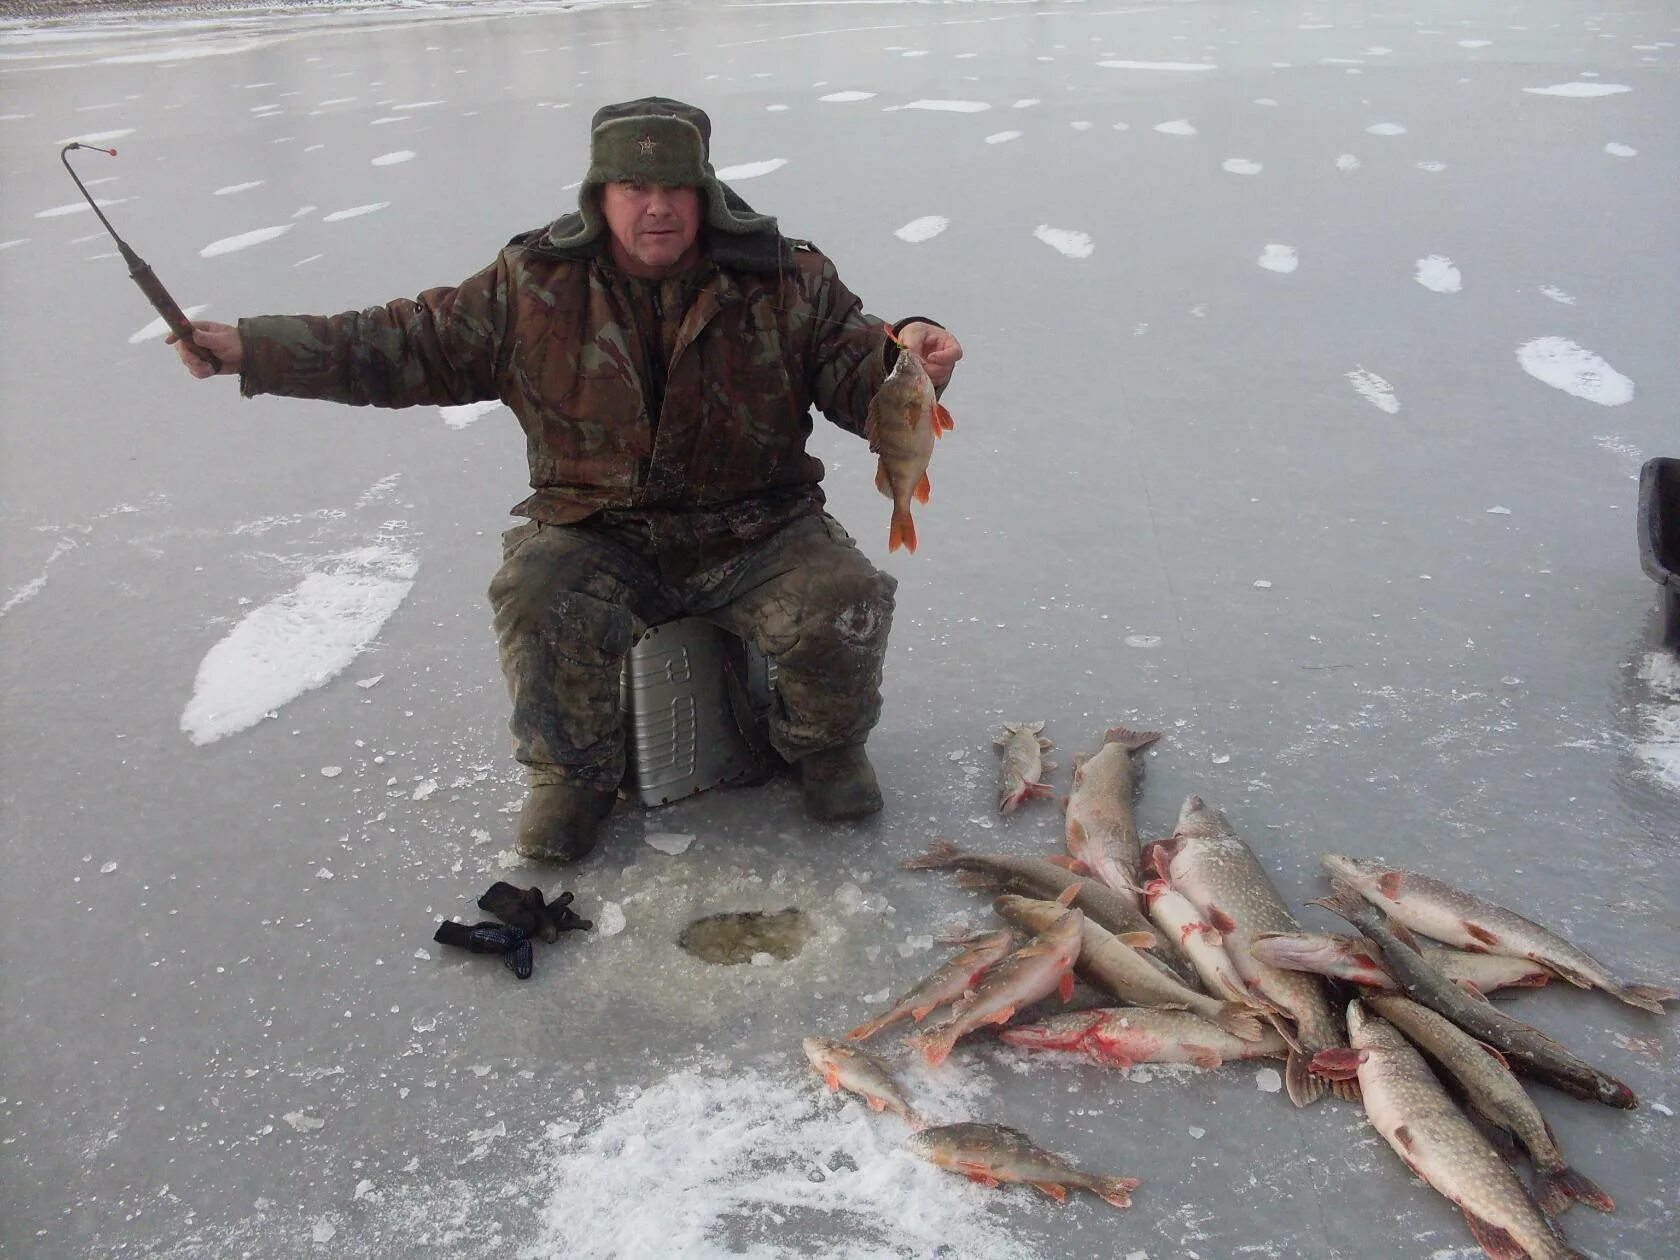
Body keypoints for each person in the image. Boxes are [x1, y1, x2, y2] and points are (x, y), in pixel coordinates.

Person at [169, 96, 963, 863]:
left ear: (706, 192)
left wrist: (914, 355)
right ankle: (573, 778)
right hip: (600, 527)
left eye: (675, 187)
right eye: (633, 187)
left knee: (846, 595)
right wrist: (253, 348)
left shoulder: (787, 278)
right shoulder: (533, 284)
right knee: (536, 594)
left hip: (761, 526)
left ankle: (824, 749)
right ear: (599, 195)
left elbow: (863, 377)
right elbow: (399, 344)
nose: (657, 207)